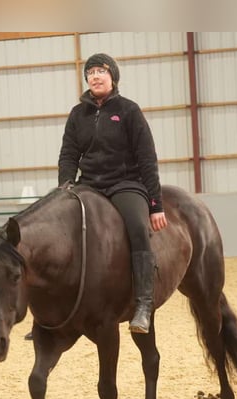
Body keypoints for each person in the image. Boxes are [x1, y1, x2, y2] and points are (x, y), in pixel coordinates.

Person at [58, 53, 168, 334]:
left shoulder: (129, 111)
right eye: (90, 72)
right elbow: (69, 154)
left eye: (101, 71)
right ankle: (59, 304)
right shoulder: (77, 114)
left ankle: (143, 303)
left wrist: (155, 205)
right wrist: (65, 186)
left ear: (113, 77)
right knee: (61, 224)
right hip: (90, 183)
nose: (95, 76)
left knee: (136, 227)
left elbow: (147, 159)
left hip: (125, 183)